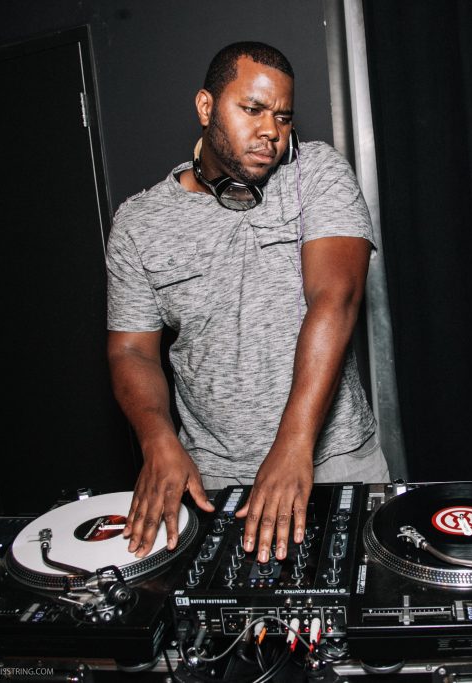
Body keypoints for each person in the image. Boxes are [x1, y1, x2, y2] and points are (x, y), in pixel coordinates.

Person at [105, 42, 389, 567]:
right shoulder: (138, 222)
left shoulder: (318, 172)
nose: (270, 131)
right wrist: (157, 440)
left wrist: (294, 444)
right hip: (210, 476)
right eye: (252, 109)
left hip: (332, 459)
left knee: (356, 607)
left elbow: (336, 299)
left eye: (282, 116)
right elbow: (131, 351)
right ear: (206, 106)